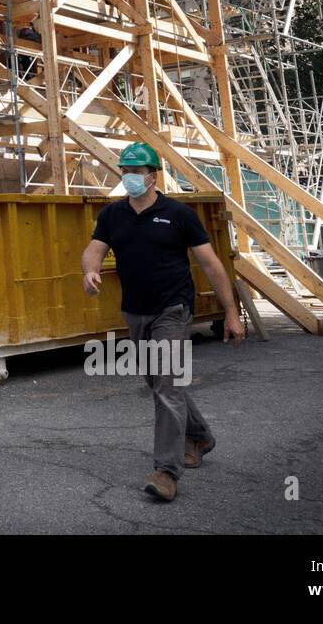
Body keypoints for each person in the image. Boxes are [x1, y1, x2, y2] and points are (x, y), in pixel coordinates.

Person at [80, 142, 245, 502]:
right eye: (124, 171)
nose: (128, 178)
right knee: (159, 380)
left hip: (173, 309)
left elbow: (211, 265)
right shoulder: (113, 215)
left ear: (152, 176)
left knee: (166, 385)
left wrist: (231, 312)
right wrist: (90, 272)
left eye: (135, 172)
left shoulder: (178, 214)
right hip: (135, 310)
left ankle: (167, 471)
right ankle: (199, 435)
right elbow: (93, 251)